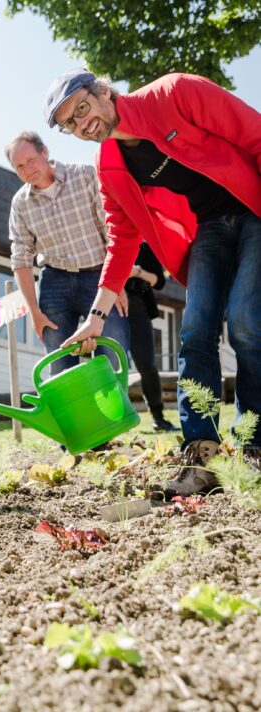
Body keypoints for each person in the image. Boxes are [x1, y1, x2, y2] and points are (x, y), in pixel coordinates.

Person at [45, 68, 261, 496]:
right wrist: (96, 316)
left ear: (103, 90)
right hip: (211, 227)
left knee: (245, 321)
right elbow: (122, 238)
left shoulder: (175, 93)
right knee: (196, 331)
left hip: (254, 206)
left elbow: (252, 132)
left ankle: (255, 443)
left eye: (82, 108)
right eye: (71, 123)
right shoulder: (108, 165)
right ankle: (202, 454)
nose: (82, 124)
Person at [5, 131, 130, 374]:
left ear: (44, 152)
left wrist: (117, 283)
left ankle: (113, 412)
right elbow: (20, 258)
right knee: (60, 364)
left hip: (99, 276)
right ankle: (70, 412)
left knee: (113, 351)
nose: (27, 169)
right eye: (19, 166)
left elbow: (110, 228)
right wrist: (35, 313)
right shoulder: (20, 203)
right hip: (55, 284)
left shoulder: (83, 175)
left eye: (30, 160)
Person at [125, 243, 178, 432]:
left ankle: (158, 417)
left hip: (138, 306)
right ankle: (113, 421)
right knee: (111, 365)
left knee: (147, 364)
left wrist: (137, 272)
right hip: (110, 306)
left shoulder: (145, 247)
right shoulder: (104, 236)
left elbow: (160, 282)